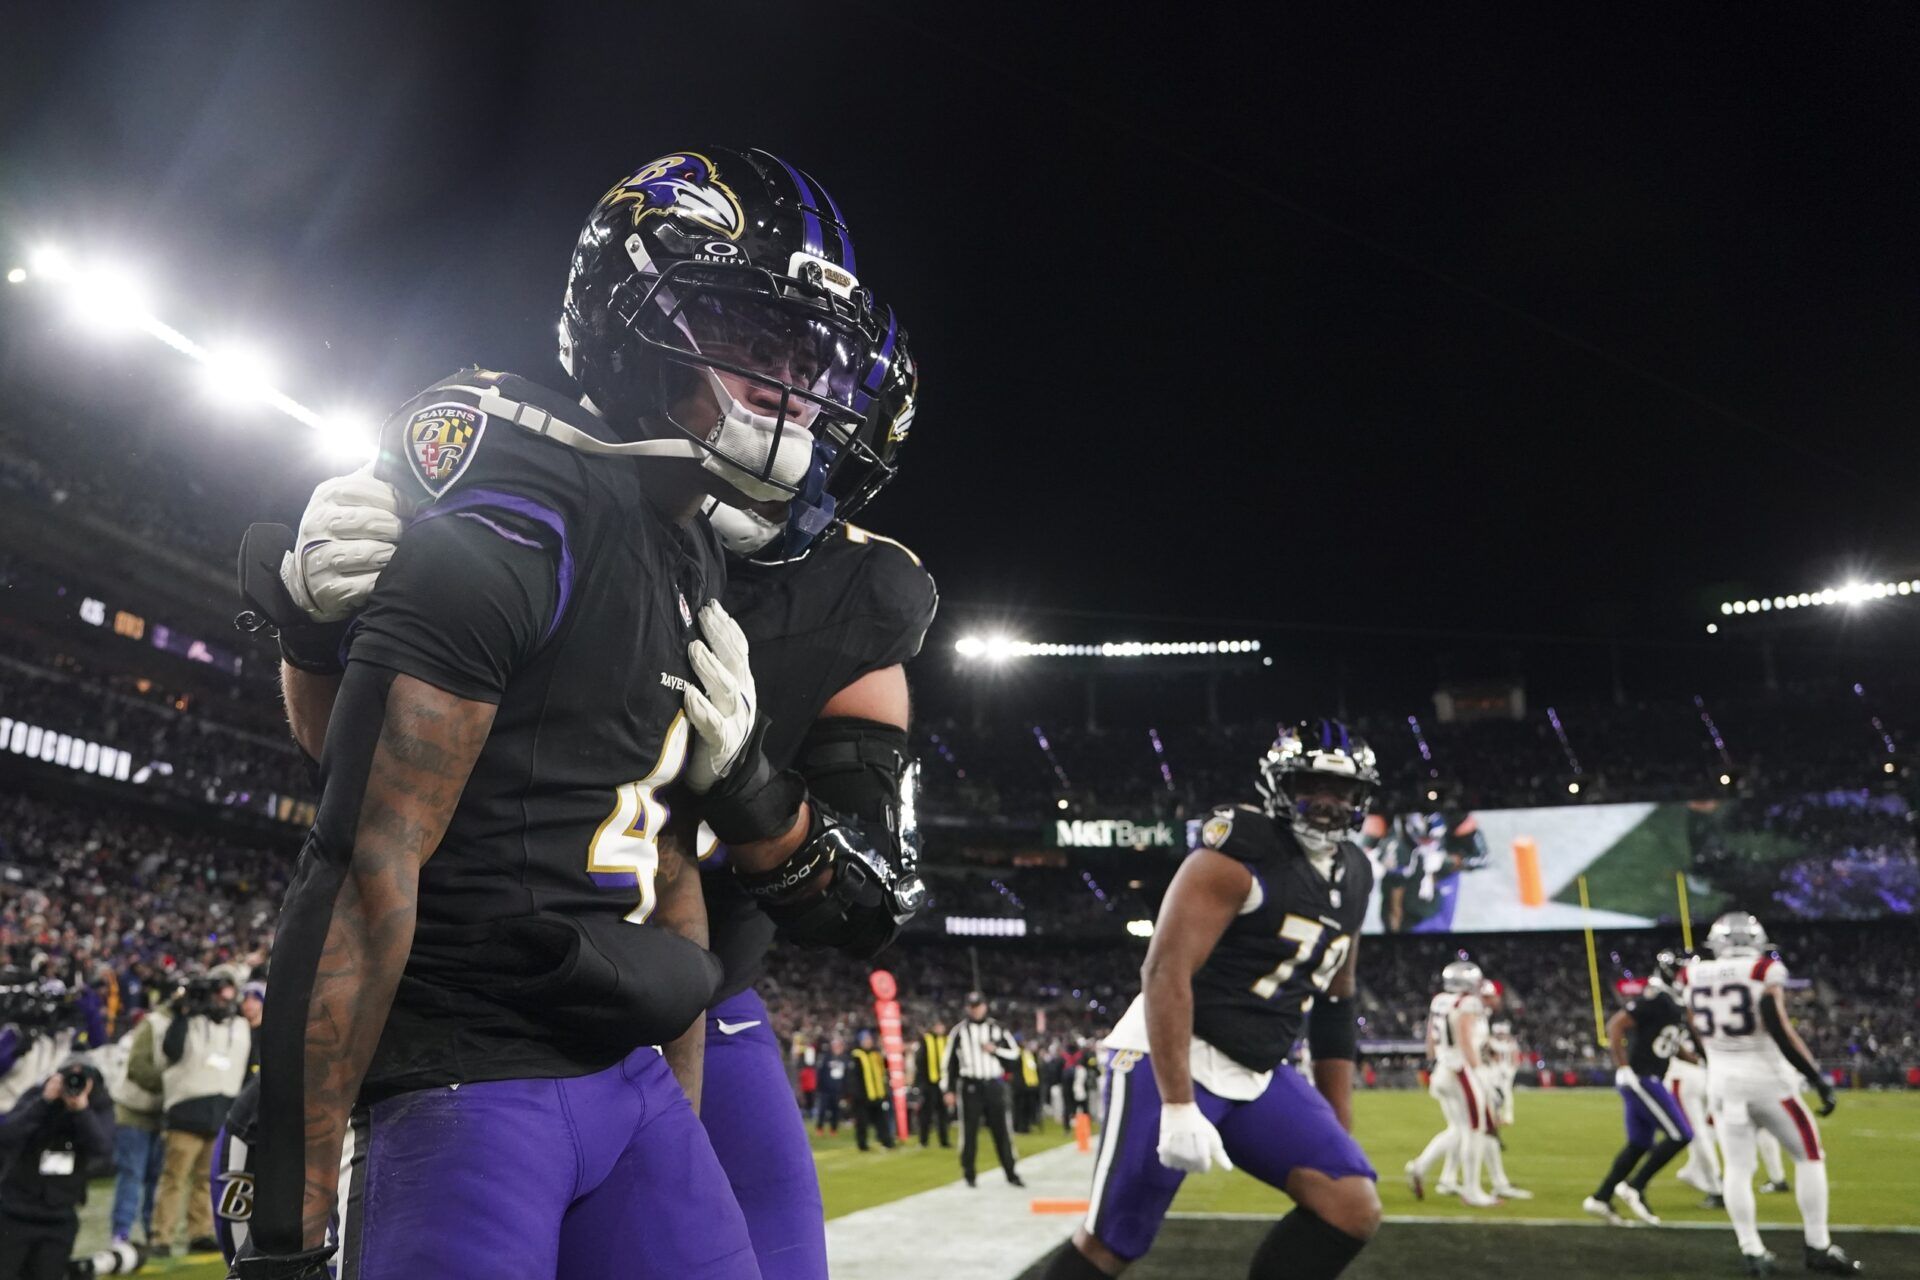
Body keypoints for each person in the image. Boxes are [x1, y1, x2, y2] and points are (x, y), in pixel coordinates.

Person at [237, 146, 909, 1280]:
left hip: (622, 1063)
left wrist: (745, 782)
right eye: (750, 341)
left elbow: (673, 870)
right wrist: (285, 1236)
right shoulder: (515, 516)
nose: (790, 390)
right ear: (634, 322)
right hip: (467, 1074)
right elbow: (360, 860)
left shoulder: (686, 536)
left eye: (804, 358)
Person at [1041, 720, 1382, 1280]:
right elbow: (1164, 969)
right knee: (1113, 1242)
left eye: (1341, 790)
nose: (1325, 803)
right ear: (1278, 786)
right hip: (1172, 1050)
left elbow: (1336, 1003)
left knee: (1350, 1206)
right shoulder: (1235, 853)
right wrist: (1178, 1104)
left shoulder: (1357, 874)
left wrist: (1337, 1116)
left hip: (1257, 1067)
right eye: (1309, 785)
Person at [1687, 913, 1859, 1275]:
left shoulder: (1692, 974)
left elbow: (1695, 1027)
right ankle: (1817, 1245)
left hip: (1721, 1083)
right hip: (1766, 1081)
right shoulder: (1763, 970)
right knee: (1809, 1155)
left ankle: (1752, 1251)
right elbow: (1778, 1026)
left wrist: (1718, 1061)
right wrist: (1815, 1076)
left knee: (1737, 1168)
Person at [1582, 948, 1695, 1227]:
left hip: (1649, 1076)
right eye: (1685, 971)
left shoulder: (1674, 1002)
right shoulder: (1656, 998)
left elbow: (1668, 1042)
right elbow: (1616, 1025)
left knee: (1639, 1143)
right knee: (1681, 1134)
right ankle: (1635, 1186)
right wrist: (1623, 1067)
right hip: (1642, 1077)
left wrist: (1699, 1060)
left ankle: (1601, 1197)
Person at [143, 973, 249, 1258]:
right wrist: (182, 1011)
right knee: (174, 1177)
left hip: (222, 1111)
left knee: (206, 1179)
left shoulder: (239, 1026)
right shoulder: (188, 1021)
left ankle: (200, 1231)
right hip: (186, 1112)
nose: (224, 1002)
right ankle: (161, 1235)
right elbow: (171, 1051)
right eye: (219, 995)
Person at [0, 1060, 114, 1280]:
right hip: (15, 1212)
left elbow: (103, 1148)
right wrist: (44, 1102)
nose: (73, 1085)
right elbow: (7, 1135)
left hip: (59, 1216)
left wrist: (81, 1110)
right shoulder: (38, 1096)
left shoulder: (97, 1104)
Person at [1405, 961, 1497, 1207]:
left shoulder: (1440, 1000)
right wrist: (1479, 1073)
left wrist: (1432, 1063)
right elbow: (1465, 1038)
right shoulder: (1466, 1003)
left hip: (1442, 1068)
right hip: (1460, 1069)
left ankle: (1419, 1167)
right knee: (1475, 1130)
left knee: (1457, 1128)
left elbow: (1429, 1038)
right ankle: (1472, 1190)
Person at [944, 992, 1024, 1188]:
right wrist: (948, 1089)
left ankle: (1011, 1172)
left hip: (993, 1084)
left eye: (978, 1005)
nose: (975, 1009)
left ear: (985, 1006)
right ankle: (969, 1174)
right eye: (972, 1006)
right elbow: (949, 1063)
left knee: (1002, 1131)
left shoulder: (997, 1028)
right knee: (969, 1131)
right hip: (970, 1085)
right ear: (967, 1008)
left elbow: (1015, 1055)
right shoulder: (959, 1031)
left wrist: (995, 1050)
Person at [100, 1020, 165, 1247]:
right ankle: (122, 1232)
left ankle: (151, 1231)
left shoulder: (170, 1027)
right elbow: (137, 1069)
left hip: (160, 1113)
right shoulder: (148, 1029)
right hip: (133, 1113)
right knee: (132, 1174)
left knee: (154, 1177)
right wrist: (173, 1082)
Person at [849, 1030, 895, 1152]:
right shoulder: (856, 1056)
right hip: (863, 1096)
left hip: (878, 1094)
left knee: (882, 1121)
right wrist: (856, 1094)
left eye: (869, 1039)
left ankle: (887, 1141)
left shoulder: (876, 1054)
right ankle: (862, 1144)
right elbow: (853, 1078)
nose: (868, 1042)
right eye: (865, 1040)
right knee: (862, 1123)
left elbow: (884, 1071)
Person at [914, 1020, 951, 1147]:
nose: (940, 1028)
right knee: (926, 1114)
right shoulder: (926, 1040)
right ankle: (923, 1140)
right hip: (929, 1083)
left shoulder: (947, 1040)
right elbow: (919, 1061)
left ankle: (944, 1141)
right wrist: (922, 1082)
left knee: (943, 1114)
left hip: (944, 1084)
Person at [816, 1036, 850, 1135]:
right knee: (822, 1109)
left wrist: (845, 1090)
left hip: (838, 1090)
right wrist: (820, 1087)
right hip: (826, 1089)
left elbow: (847, 1076)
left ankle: (833, 1129)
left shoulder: (845, 1059)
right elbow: (821, 1073)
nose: (837, 1047)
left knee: (836, 1110)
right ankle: (819, 1128)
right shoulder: (826, 1057)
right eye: (835, 1045)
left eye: (839, 1045)